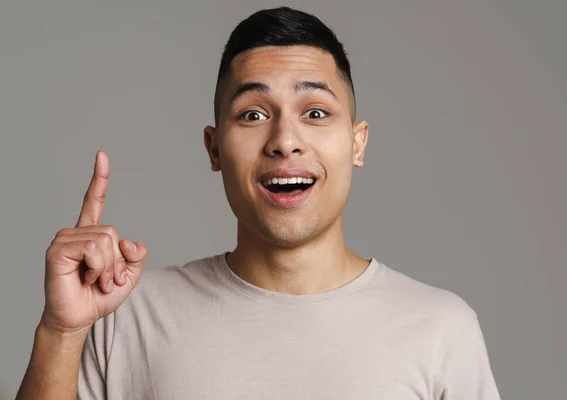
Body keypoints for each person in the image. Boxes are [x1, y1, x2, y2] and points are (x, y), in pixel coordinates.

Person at [16, 6, 501, 400]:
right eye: (252, 114)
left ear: (357, 144)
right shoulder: (127, 315)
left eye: (315, 112)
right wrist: (60, 332)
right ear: (213, 148)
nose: (285, 141)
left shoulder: (439, 328)